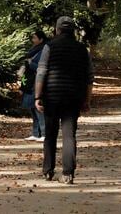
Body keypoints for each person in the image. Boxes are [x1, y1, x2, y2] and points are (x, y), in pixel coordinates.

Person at [35, 16, 94, 184]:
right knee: (69, 136)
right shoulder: (83, 49)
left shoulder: (49, 46)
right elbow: (90, 77)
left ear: (57, 29)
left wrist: (38, 96)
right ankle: (68, 174)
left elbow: (41, 72)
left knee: (50, 135)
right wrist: (87, 100)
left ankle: (47, 171)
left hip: (51, 97)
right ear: (73, 30)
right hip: (73, 97)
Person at [20, 29, 47, 141]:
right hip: (29, 81)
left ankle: (44, 133)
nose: (33, 40)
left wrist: (31, 63)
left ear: (41, 39)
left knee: (38, 108)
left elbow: (41, 68)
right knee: (31, 108)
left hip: (37, 82)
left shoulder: (44, 50)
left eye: (35, 38)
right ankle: (35, 133)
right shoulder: (32, 50)